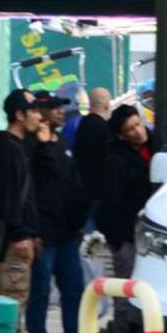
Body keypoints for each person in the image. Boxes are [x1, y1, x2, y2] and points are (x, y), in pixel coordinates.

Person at [26, 94, 90, 333]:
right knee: (39, 292)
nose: (61, 112)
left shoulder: (62, 142)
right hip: (44, 232)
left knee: (74, 289)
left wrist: (79, 221)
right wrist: (33, 231)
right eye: (54, 108)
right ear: (40, 112)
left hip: (67, 233)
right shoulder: (32, 147)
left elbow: (72, 183)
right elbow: (33, 187)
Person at [0, 89, 43, 333]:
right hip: (14, 240)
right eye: (33, 111)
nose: (38, 116)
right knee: (12, 296)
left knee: (13, 294)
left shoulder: (17, 147)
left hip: (21, 236)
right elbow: (9, 198)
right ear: (19, 115)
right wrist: (21, 234)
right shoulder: (8, 149)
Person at [99, 104, 156, 333]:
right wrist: (117, 239)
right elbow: (111, 201)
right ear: (121, 135)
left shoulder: (154, 148)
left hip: (149, 233)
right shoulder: (116, 161)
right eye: (130, 129)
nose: (138, 131)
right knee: (124, 292)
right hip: (127, 235)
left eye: (138, 124)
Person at [73, 87, 113, 231]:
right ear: (107, 106)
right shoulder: (104, 129)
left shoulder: (82, 126)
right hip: (97, 193)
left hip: (83, 190)